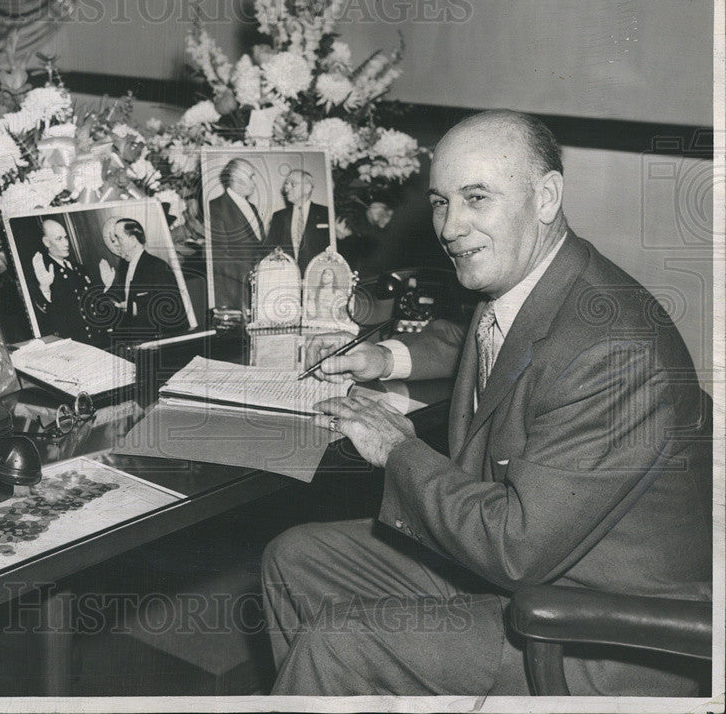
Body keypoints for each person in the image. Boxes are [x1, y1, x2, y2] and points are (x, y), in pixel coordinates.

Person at [262, 110, 711, 696]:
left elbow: (515, 549)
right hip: (531, 570)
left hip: (599, 628)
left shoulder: (614, 347)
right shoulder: (536, 279)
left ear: (546, 196)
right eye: (442, 201)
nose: (450, 227)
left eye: (477, 198)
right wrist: (385, 359)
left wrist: (398, 449)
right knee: (294, 559)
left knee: (339, 641)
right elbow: (489, 340)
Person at [100, 217, 188, 339]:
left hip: (153, 340)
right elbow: (120, 301)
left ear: (133, 240)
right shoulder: (124, 267)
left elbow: (173, 309)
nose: (116, 244)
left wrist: (137, 309)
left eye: (118, 238)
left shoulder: (157, 266)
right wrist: (108, 286)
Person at [30, 217, 104, 345]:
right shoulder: (43, 273)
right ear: (47, 242)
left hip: (97, 341)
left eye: (66, 237)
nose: (66, 243)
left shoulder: (78, 268)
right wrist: (44, 288)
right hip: (73, 345)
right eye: (59, 239)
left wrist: (105, 286)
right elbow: (44, 316)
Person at [207, 157, 267, 310]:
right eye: (251, 176)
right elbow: (217, 256)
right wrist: (252, 274)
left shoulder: (252, 207)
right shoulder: (214, 207)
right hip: (231, 294)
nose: (255, 181)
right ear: (235, 178)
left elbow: (260, 246)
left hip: (258, 292)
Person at [265, 169, 331, 274]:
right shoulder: (279, 216)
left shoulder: (327, 213)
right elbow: (269, 249)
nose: (286, 189)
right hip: (287, 278)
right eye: (286, 184)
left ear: (307, 188)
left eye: (292, 184)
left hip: (318, 278)